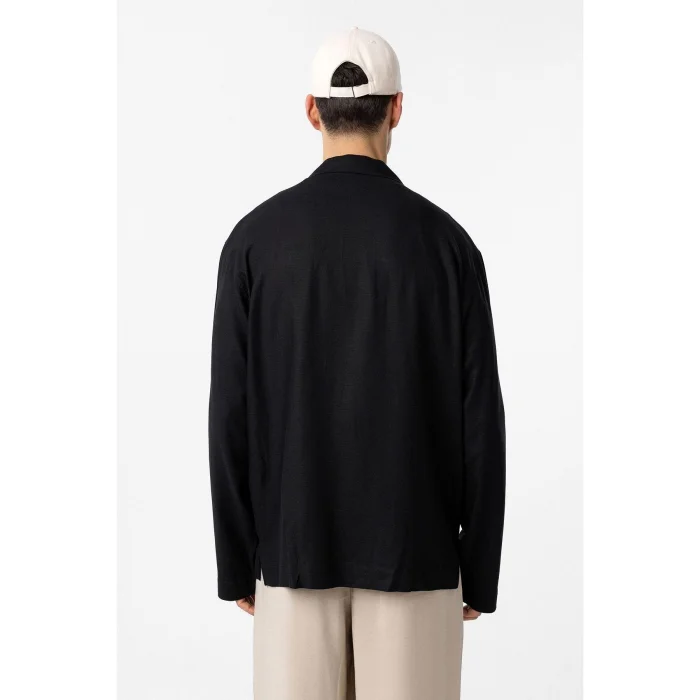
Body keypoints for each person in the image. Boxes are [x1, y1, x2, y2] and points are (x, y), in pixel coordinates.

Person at [208, 27, 506, 700]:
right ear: (397, 109)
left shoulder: (254, 242)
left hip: (292, 555)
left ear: (311, 111)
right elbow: (480, 420)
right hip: (418, 556)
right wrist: (479, 568)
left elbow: (230, 413)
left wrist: (236, 561)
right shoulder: (448, 246)